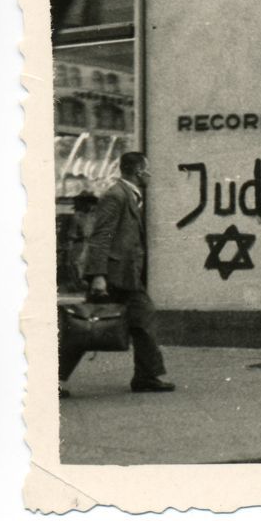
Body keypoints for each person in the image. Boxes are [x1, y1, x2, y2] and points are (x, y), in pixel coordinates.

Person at [59, 152, 175, 397]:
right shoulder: (116, 196)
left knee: (143, 318)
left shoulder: (129, 195)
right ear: (138, 171)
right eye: (148, 169)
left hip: (126, 273)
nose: (150, 174)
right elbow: (101, 236)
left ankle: (146, 376)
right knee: (81, 327)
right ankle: (49, 378)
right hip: (113, 273)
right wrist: (98, 275)